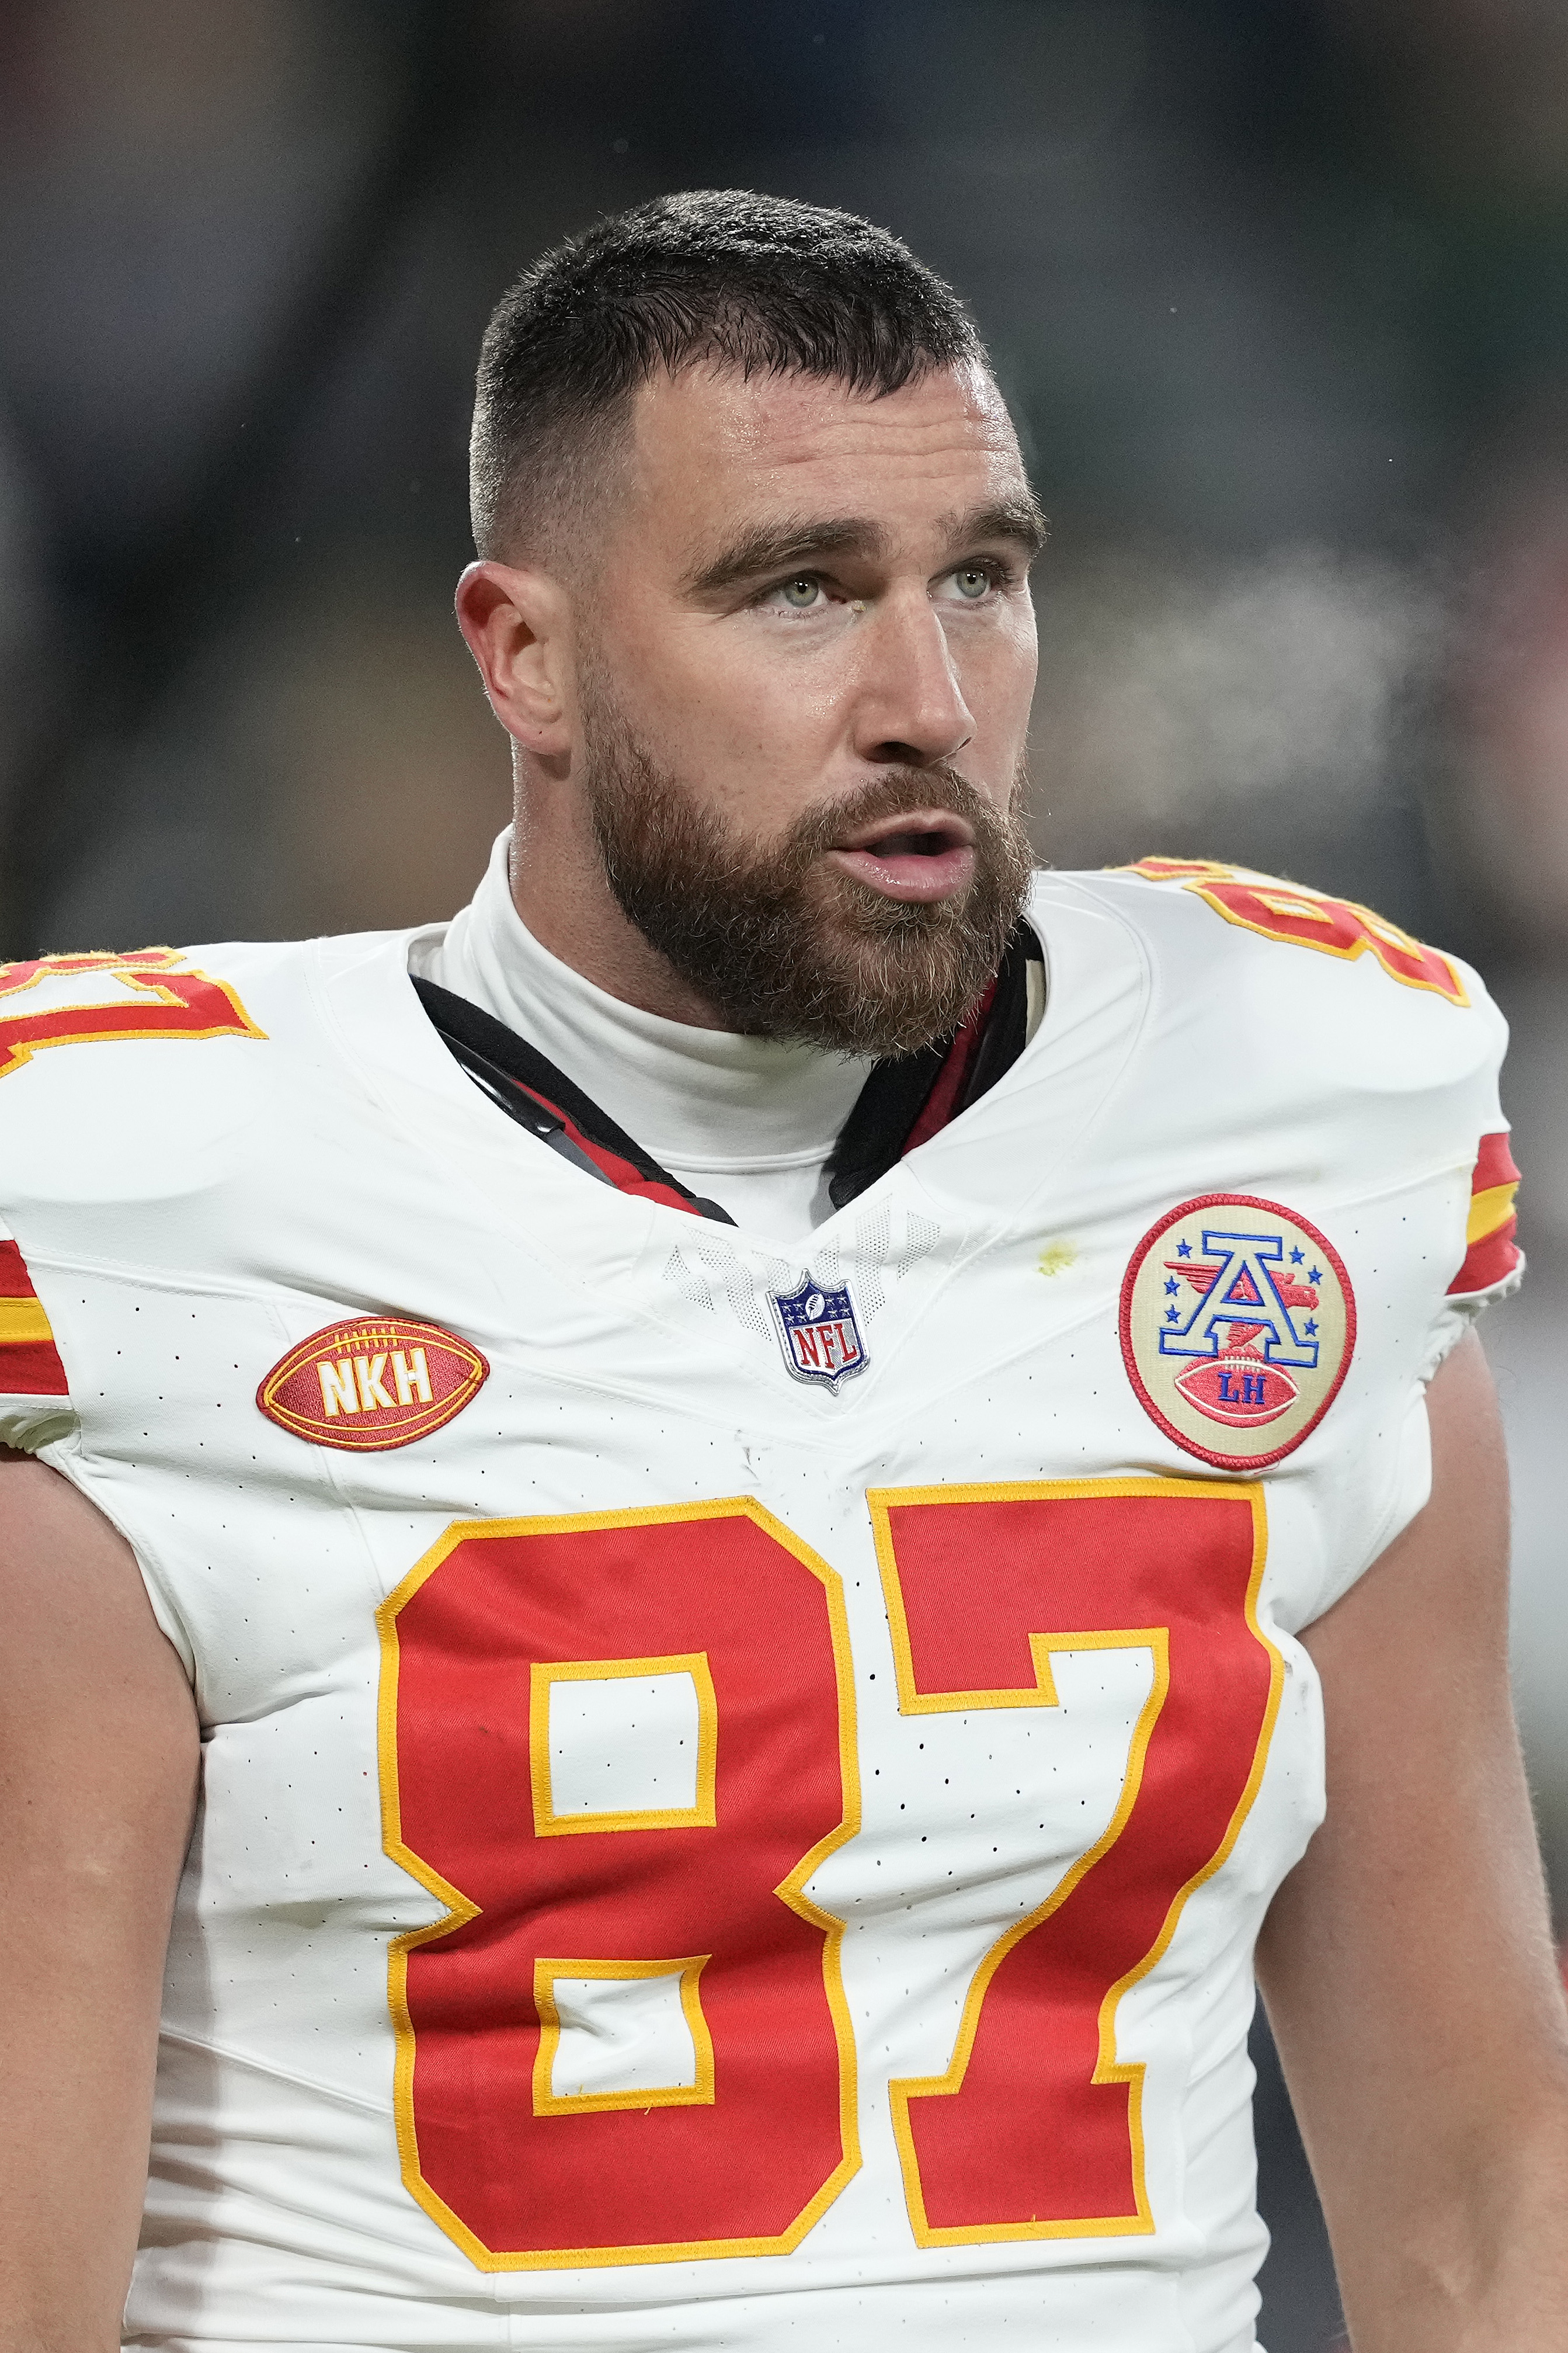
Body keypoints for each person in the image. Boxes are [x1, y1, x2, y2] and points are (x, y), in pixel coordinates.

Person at [1, 190, 1565, 2353]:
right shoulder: (133, 1198)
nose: (926, 696)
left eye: (985, 583)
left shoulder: (1297, 1107)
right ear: (522, 656)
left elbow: (1484, 2206)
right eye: (801, 589)